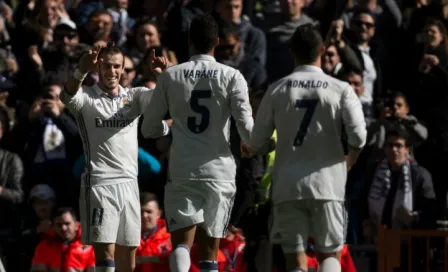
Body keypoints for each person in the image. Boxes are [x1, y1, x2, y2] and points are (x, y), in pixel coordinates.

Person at [140, 13, 254, 272]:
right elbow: (246, 126)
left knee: (181, 244)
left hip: (183, 168)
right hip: (219, 170)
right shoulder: (232, 76)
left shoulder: (170, 76)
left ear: (190, 41)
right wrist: (256, 144)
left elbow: (149, 127)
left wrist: (169, 129)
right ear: (216, 41)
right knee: (209, 253)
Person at [249, 24, 367, 272]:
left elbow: (257, 143)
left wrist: (273, 143)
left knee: (295, 258)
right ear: (323, 50)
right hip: (328, 183)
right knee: (330, 254)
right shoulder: (341, 89)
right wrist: (350, 159)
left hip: (288, 185)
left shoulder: (277, 89)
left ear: (292, 51)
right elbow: (359, 136)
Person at [60, 42, 169, 272]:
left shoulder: (135, 96)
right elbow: (66, 95)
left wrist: (163, 76)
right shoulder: (87, 97)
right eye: (107, 66)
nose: (112, 71)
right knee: (105, 255)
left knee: (128, 258)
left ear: (123, 69)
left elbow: (166, 100)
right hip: (100, 183)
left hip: (130, 184)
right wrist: (80, 70)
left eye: (117, 66)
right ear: (99, 67)